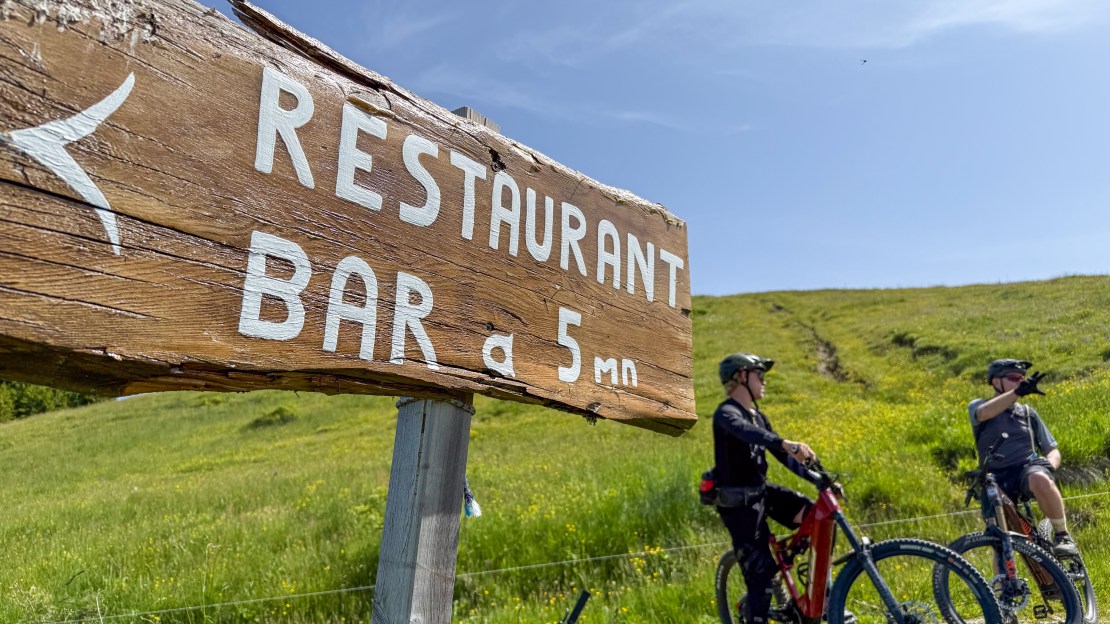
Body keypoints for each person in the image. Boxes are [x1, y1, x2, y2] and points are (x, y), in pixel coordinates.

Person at [713, 352, 819, 624]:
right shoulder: (726, 414)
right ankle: (757, 608)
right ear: (742, 377)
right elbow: (746, 433)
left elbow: (784, 457)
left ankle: (806, 592)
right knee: (760, 582)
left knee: (815, 515)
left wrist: (821, 480)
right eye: (760, 374)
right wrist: (784, 442)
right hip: (740, 505)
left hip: (762, 492)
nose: (764, 381)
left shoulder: (759, 417)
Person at [968, 358, 1078, 557]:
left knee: (1040, 477)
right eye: (1013, 378)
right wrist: (1017, 392)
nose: (1019, 381)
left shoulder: (1028, 413)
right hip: (994, 476)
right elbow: (985, 413)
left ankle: (1063, 536)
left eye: (1022, 379)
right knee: (1001, 541)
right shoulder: (978, 406)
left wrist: (1049, 465)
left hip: (1025, 469)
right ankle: (1005, 584)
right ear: (995, 382)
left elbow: (1053, 450)